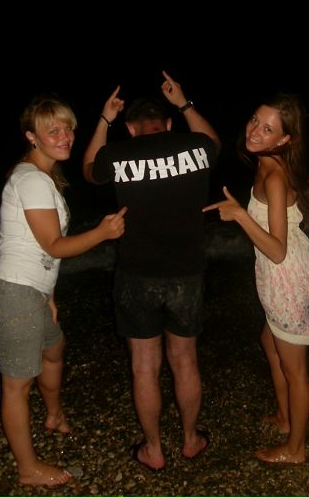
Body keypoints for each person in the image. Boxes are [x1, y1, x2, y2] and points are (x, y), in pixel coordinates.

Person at [0, 94, 127, 487]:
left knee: (54, 350)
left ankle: (53, 414)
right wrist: (102, 233)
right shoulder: (31, 179)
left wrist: (48, 296)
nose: (65, 136)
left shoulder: (42, 177)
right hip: (14, 292)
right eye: (53, 130)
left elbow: (38, 250)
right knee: (16, 385)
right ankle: (27, 469)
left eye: (68, 128)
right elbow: (53, 245)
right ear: (32, 136)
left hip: (31, 293)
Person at [82, 71, 221, 471]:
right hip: (186, 273)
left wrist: (104, 119)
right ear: (169, 124)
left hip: (137, 274)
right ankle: (190, 440)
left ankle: (154, 449)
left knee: (144, 365)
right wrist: (184, 102)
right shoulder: (195, 146)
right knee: (185, 360)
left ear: (131, 128)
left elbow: (89, 168)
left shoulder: (119, 153)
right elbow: (215, 143)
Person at [203, 91, 309, 465]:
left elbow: (276, 250)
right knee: (269, 340)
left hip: (286, 277)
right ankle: (284, 416)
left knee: (296, 370)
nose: (255, 130)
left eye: (268, 129)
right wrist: (294, 212)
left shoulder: (274, 175)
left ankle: (296, 447)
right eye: (255, 120)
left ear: (284, 138)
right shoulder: (278, 161)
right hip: (290, 270)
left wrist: (241, 215)